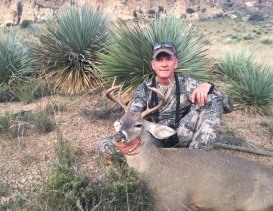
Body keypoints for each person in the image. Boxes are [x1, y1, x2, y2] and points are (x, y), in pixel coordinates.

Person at [99, 42, 233, 153]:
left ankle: (198, 156)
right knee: (107, 147)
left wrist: (209, 87)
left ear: (175, 63)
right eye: (159, 60)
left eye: (168, 59)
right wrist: (123, 138)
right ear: (153, 65)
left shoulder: (188, 83)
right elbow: (133, 115)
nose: (164, 64)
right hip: (154, 137)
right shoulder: (144, 89)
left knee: (212, 99)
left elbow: (228, 106)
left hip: (183, 134)